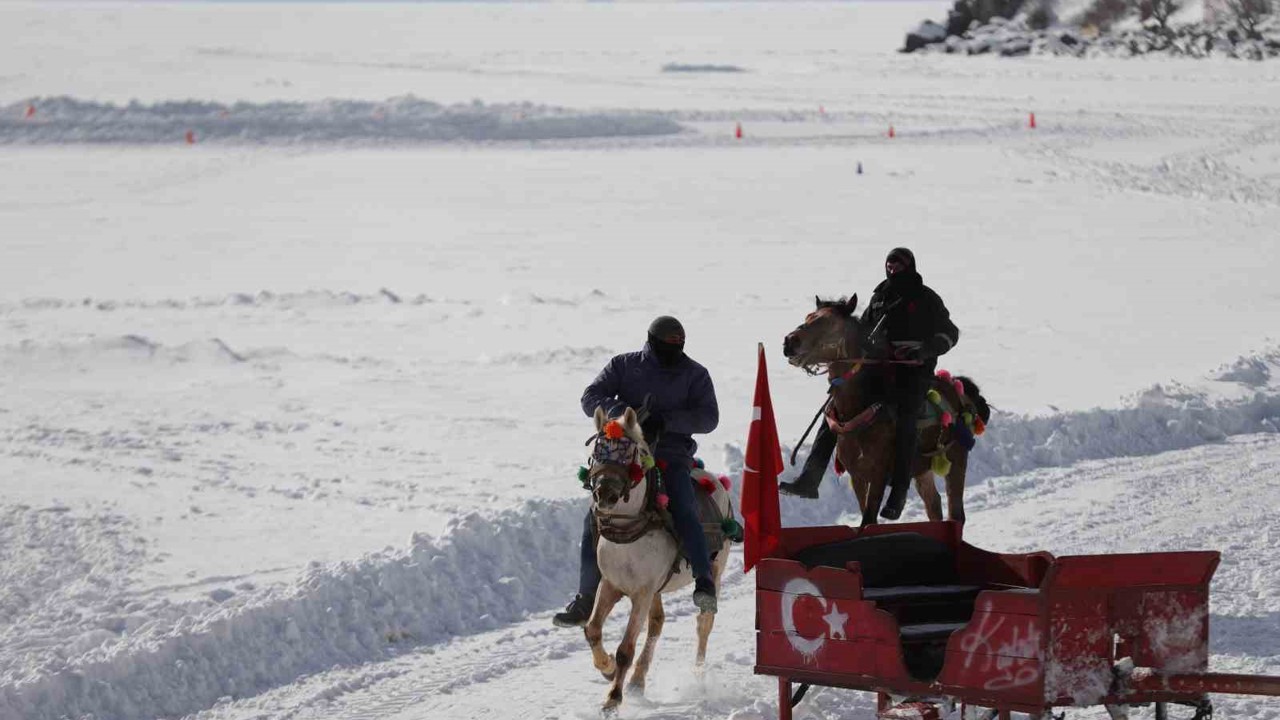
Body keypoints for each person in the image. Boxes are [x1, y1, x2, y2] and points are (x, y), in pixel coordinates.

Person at [552, 316, 721, 628]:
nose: (674, 351)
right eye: (667, 345)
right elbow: (590, 397)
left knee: (684, 506)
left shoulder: (695, 374)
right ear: (651, 341)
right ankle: (585, 598)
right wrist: (619, 413)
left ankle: (703, 580)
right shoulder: (624, 365)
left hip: (670, 454)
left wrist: (668, 422)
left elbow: (709, 418)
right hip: (624, 453)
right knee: (594, 518)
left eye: (679, 346)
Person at [779, 247, 959, 520]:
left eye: (898, 265)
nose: (892, 269)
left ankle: (898, 492)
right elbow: (862, 332)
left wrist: (922, 350)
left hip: (913, 373)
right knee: (834, 414)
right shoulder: (879, 297)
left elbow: (950, 333)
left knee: (907, 419)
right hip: (878, 371)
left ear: (909, 266)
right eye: (889, 264)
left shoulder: (926, 298)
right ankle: (809, 480)